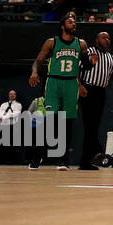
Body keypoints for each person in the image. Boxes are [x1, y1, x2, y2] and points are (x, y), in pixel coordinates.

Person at [27, 12, 89, 170]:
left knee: (67, 123)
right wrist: (34, 72)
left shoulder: (81, 44)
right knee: (49, 121)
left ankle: (63, 160)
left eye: (74, 22)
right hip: (54, 81)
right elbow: (38, 61)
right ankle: (37, 156)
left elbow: (83, 67)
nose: (74, 24)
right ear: (63, 26)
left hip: (71, 84)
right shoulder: (51, 42)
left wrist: (80, 84)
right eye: (70, 22)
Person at [78, 31, 113, 169]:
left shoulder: (111, 58)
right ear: (97, 40)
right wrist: (79, 85)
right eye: (104, 37)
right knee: (90, 125)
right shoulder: (89, 51)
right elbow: (76, 69)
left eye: (109, 38)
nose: (107, 40)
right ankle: (96, 154)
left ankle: (87, 161)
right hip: (87, 89)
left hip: (101, 92)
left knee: (94, 126)